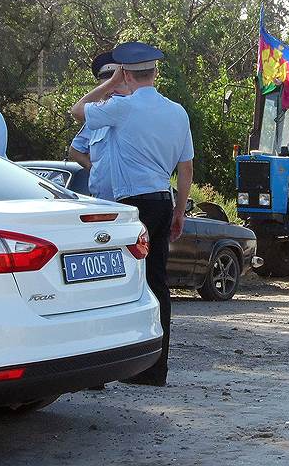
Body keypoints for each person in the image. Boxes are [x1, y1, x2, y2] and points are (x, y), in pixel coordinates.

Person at [70, 41, 194, 387]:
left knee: (110, 283)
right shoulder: (177, 112)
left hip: (130, 205)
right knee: (156, 283)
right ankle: (155, 370)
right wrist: (180, 210)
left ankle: (100, 370)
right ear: (156, 72)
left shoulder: (122, 107)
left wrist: (110, 84)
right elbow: (186, 168)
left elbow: (77, 111)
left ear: (126, 73)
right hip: (162, 199)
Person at [68, 51, 128, 201]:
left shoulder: (134, 110)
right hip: (103, 200)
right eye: (107, 84)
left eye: (115, 82)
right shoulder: (95, 115)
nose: (111, 90)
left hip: (132, 199)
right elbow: (75, 151)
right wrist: (94, 169)